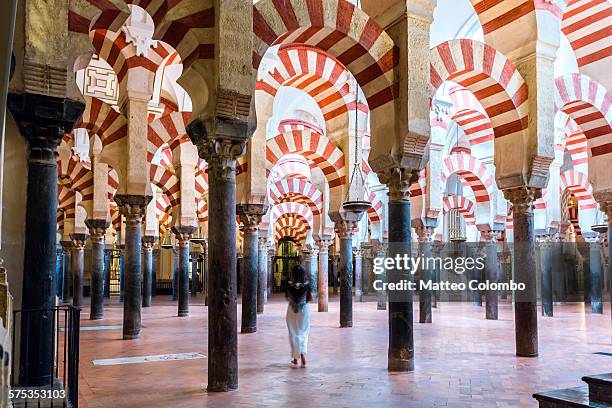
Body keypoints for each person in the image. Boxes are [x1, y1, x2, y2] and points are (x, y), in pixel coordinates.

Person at [285, 264, 312, 367]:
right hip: (303, 310)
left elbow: (287, 296)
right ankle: (303, 357)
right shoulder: (306, 284)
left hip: (291, 309)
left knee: (293, 333)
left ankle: (295, 358)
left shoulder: (289, 284)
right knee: (304, 333)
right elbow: (309, 298)